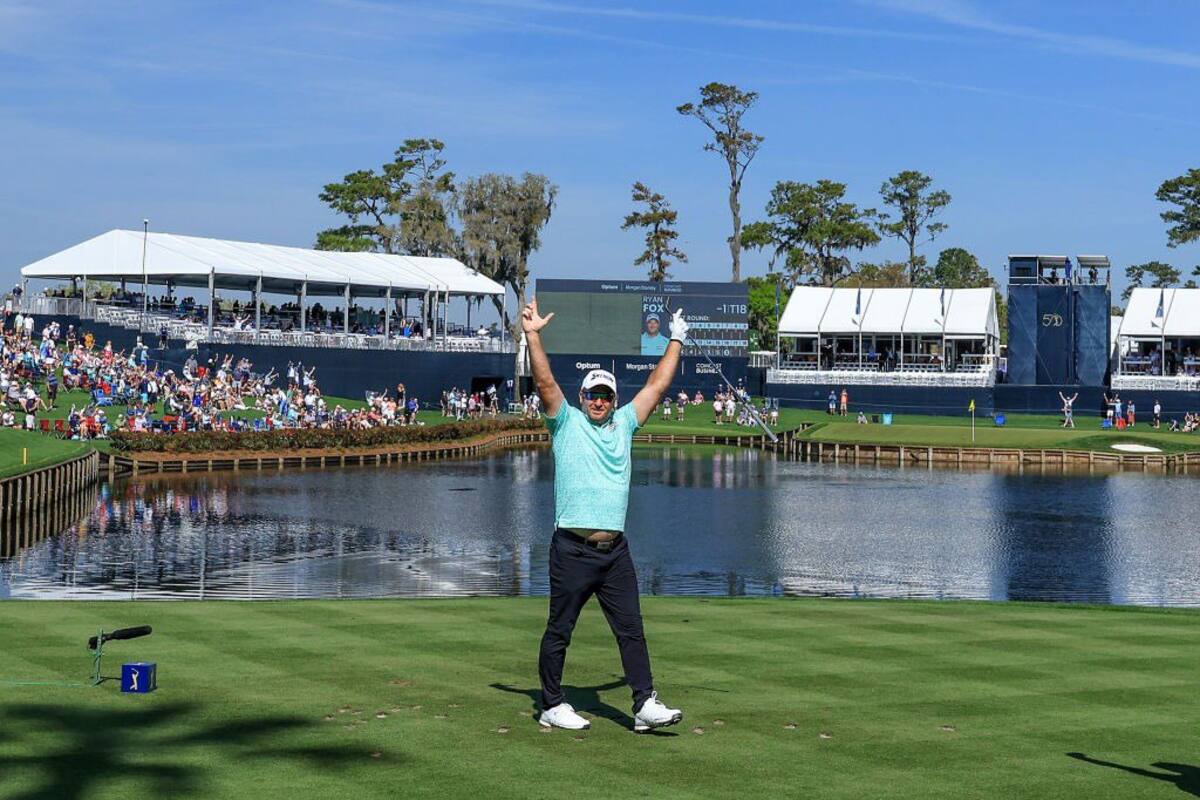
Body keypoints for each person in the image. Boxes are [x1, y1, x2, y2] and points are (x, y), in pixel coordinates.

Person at [523, 296, 684, 734]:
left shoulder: (626, 424)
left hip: (615, 552)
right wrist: (533, 335)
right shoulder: (565, 422)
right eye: (593, 393)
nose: (599, 400)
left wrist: (676, 339)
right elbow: (544, 383)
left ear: (614, 399)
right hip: (571, 549)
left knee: (631, 629)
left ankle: (644, 704)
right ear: (582, 397)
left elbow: (656, 386)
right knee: (560, 629)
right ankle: (552, 703)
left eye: (606, 394)